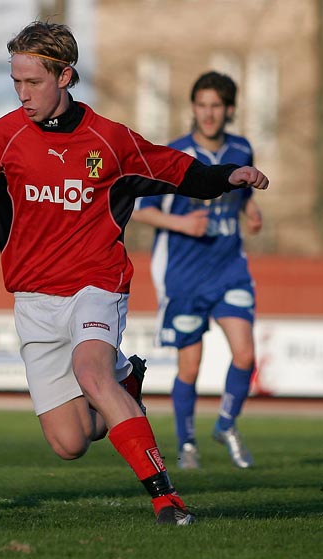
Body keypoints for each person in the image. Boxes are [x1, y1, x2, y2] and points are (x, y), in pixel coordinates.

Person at [0, 22, 268, 525]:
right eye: (15, 82)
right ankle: (125, 381)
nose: (22, 94)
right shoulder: (2, 138)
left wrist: (228, 177)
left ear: (65, 76)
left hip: (96, 284)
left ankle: (165, 497)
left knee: (91, 373)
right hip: (33, 301)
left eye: (33, 83)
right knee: (70, 442)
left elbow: (179, 170)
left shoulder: (109, 141)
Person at [132, 71, 263, 470]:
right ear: (193, 108)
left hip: (228, 268)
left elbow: (241, 196)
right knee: (191, 365)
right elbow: (141, 209)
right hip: (184, 273)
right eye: (202, 105)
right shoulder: (174, 153)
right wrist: (183, 224)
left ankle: (225, 424)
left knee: (245, 354)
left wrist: (251, 209)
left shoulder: (242, 147)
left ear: (229, 110)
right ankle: (187, 444)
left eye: (216, 106)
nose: (208, 114)